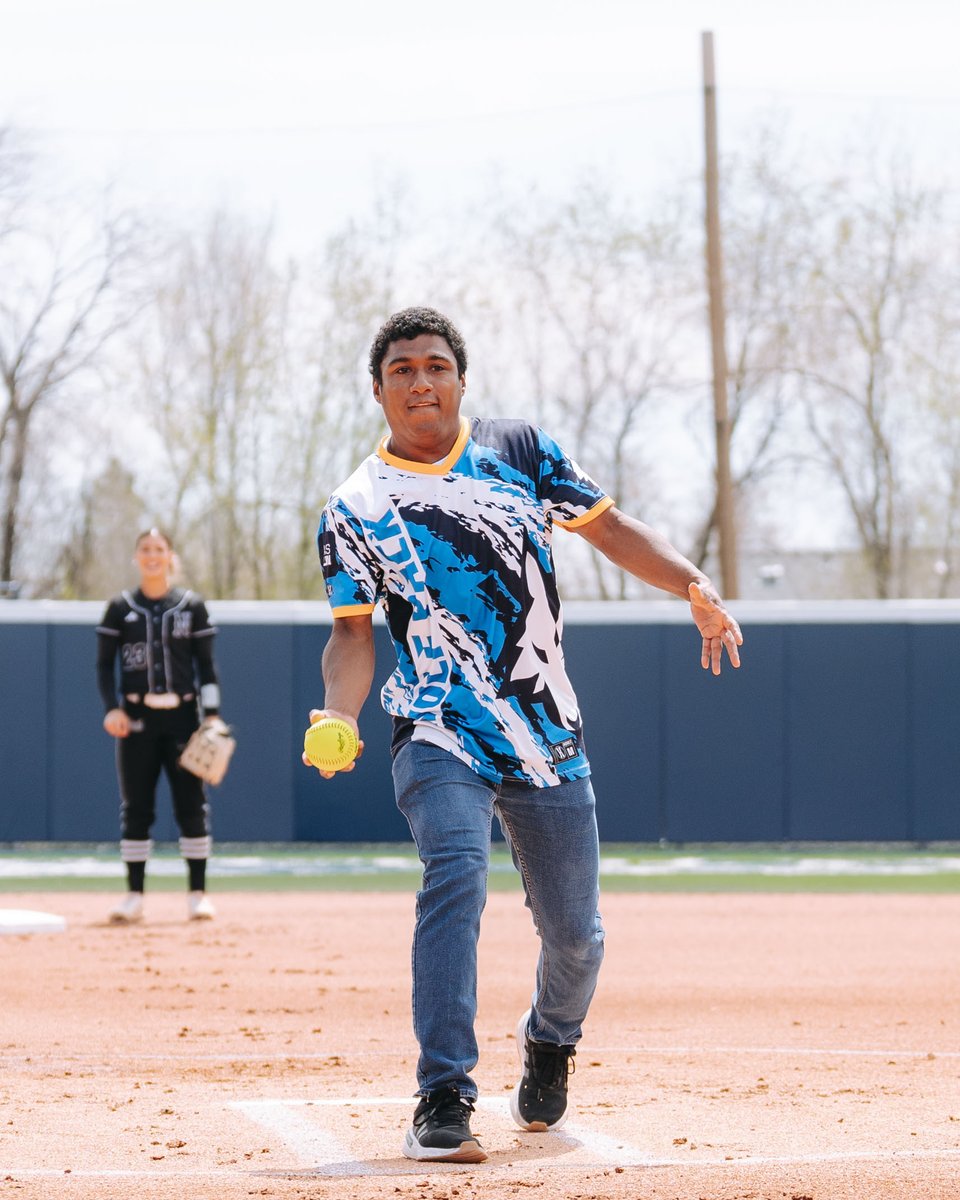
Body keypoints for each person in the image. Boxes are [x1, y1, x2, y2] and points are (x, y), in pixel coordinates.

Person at [306, 307, 743, 1163]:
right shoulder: (355, 508)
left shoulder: (520, 453)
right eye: (402, 369)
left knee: (576, 935)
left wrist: (692, 584)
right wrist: (339, 714)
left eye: (436, 366)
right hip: (436, 724)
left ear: (462, 381)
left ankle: (549, 1037)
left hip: (543, 724)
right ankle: (443, 1094)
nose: (420, 381)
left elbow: (610, 529)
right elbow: (352, 636)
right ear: (377, 388)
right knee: (456, 873)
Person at [97, 528, 226, 924]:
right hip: (137, 719)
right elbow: (105, 664)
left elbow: (207, 668)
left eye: (159, 549)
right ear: (136, 557)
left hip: (184, 718)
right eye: (145, 549)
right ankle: (134, 897)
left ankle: (197, 895)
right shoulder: (120, 608)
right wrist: (111, 708)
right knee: (136, 807)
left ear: (170, 556)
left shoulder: (192, 606)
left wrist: (212, 716)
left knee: (191, 806)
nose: (152, 555)